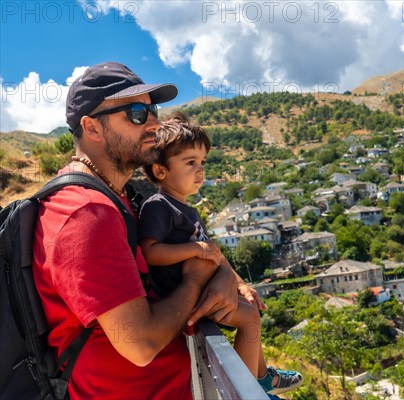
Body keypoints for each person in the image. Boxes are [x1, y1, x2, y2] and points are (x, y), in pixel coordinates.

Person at [32, 62, 241, 400]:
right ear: (92, 128)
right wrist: (194, 279)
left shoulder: (119, 200)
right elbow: (139, 344)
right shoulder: (86, 212)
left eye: (153, 109)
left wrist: (224, 276)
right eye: (136, 112)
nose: (154, 123)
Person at [138, 112, 303, 396]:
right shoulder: (158, 206)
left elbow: (214, 254)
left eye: (202, 162)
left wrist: (240, 284)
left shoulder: (186, 210)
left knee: (252, 309)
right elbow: (150, 252)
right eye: (190, 163)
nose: (200, 170)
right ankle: (251, 389)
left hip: (203, 292)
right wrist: (193, 249)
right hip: (186, 299)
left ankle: (262, 376)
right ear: (160, 171)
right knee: (249, 319)